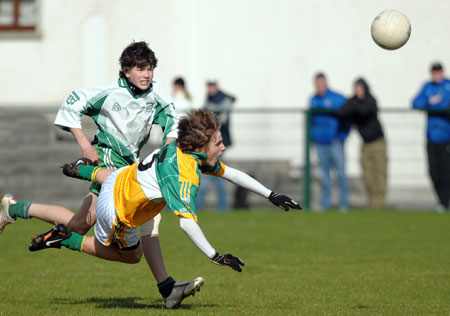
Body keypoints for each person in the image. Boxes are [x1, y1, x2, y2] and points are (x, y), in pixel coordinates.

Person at [0, 110, 301, 303]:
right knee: (131, 256)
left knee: (151, 220)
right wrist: (215, 255)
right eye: (218, 143)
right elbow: (186, 223)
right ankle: (68, 239)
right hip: (118, 209)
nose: (222, 147)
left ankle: (168, 290)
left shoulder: (180, 148)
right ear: (200, 147)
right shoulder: (183, 175)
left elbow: (229, 172)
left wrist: (270, 194)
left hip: (121, 181)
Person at [0, 41, 197, 308]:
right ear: (126, 70)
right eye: (140, 68)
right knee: (147, 224)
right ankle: (167, 288)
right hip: (108, 162)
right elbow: (72, 104)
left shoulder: (156, 94)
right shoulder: (109, 91)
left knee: (81, 225)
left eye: (150, 68)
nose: (147, 74)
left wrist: (168, 145)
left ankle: (15, 209)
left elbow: (173, 119)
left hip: (129, 166)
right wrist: (84, 145)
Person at [339, 78, 388, 209]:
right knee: (367, 176)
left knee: (379, 175)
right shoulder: (353, 101)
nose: (358, 92)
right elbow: (342, 111)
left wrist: (353, 105)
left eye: (360, 89)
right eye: (356, 89)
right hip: (365, 144)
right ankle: (372, 204)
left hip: (378, 143)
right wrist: (352, 103)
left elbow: (364, 111)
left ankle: (379, 205)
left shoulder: (371, 100)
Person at [412, 62, 450, 213]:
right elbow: (415, 103)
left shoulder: (448, 86)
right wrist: (429, 102)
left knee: (446, 171)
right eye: (434, 72)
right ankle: (442, 200)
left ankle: (445, 201)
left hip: (447, 137)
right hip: (431, 137)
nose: (436, 75)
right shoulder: (427, 87)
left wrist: (439, 106)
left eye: (438, 72)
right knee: (433, 172)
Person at [309, 72, 349, 211]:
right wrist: (312, 137)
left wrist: (342, 136)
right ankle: (326, 204)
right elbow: (311, 121)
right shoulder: (313, 100)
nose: (319, 86)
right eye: (317, 83)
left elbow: (347, 117)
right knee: (324, 176)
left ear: (325, 83)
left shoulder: (337, 98)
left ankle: (343, 203)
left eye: (321, 83)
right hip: (320, 143)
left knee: (340, 173)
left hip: (335, 142)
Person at [197, 78, 235, 210]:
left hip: (218, 143)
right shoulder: (209, 99)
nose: (210, 88)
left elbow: (219, 121)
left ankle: (214, 205)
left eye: (212, 85)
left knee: (211, 174)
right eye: (208, 85)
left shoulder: (223, 100)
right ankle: (221, 205)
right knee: (215, 175)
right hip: (210, 144)